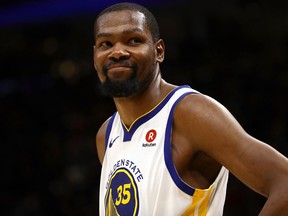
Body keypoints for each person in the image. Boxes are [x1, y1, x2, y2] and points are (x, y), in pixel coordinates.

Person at [93, 2, 288, 215]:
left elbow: (284, 182)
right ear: (95, 56)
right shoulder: (106, 135)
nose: (118, 52)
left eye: (134, 40)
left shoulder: (190, 113)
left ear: (159, 51)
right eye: (106, 44)